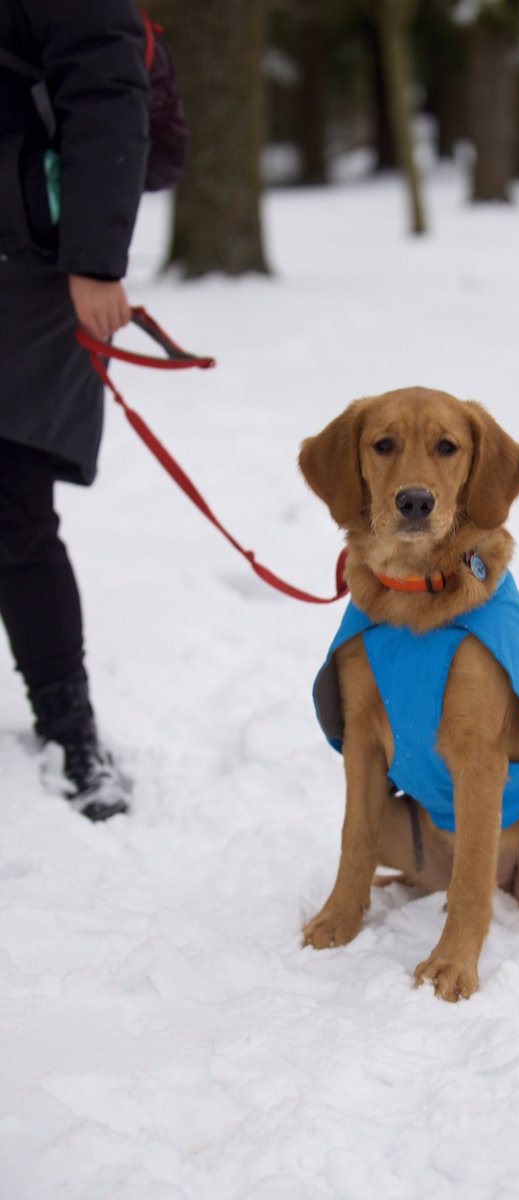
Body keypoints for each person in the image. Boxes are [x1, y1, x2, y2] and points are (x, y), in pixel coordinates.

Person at [0, 0, 150, 819]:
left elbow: (105, 82)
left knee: (13, 506)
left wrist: (94, 258)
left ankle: (70, 731)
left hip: (24, 266)